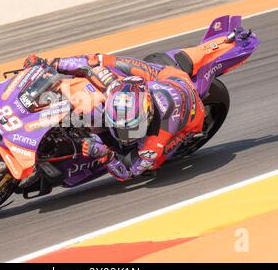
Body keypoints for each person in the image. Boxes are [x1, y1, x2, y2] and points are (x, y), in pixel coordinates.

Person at [22, 53, 205, 182]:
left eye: (131, 129)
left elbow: (127, 173)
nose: (123, 135)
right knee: (105, 61)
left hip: (186, 105)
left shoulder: (154, 142)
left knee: (151, 167)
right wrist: (49, 64)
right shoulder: (114, 86)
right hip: (159, 83)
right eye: (119, 127)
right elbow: (90, 63)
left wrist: (107, 155)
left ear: (147, 117)